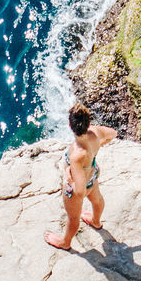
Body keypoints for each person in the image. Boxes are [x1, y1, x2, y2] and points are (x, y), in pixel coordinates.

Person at [46, 103, 117, 251]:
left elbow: (80, 191)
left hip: (79, 185)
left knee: (73, 218)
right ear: (88, 123)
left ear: (70, 126)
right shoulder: (95, 133)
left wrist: (69, 177)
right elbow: (113, 134)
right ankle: (96, 221)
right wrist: (97, 147)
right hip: (92, 176)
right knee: (97, 200)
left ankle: (65, 242)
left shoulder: (77, 155)